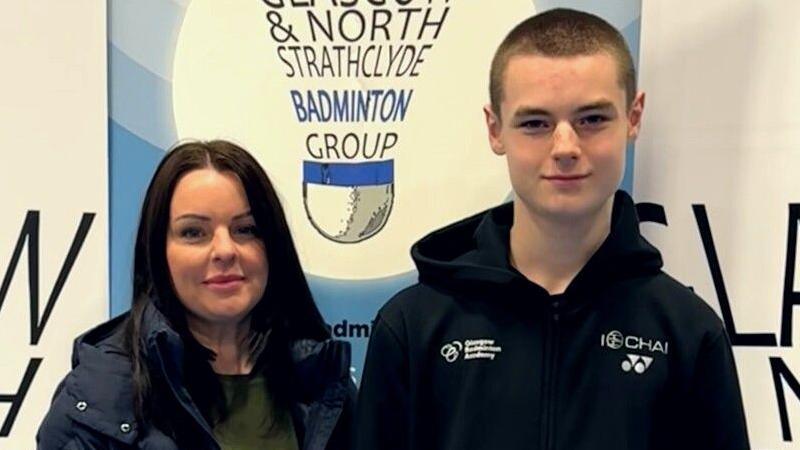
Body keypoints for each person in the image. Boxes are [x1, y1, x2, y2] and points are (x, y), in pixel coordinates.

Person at [354, 8, 749, 450]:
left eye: (592, 119)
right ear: (495, 128)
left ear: (633, 117)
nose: (565, 147)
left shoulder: (688, 334)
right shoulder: (413, 326)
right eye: (536, 123)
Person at [38, 140, 354, 449]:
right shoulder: (95, 403)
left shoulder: (324, 382)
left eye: (246, 229)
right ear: (158, 252)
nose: (225, 250)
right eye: (193, 233)